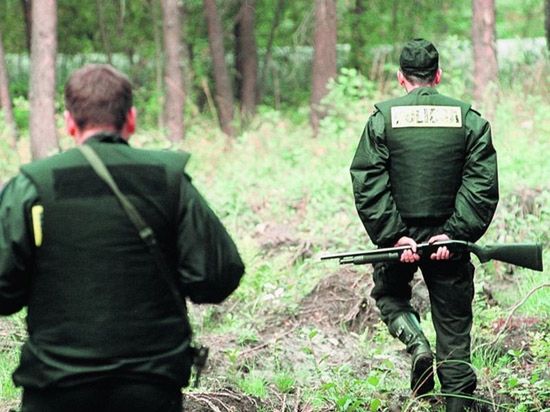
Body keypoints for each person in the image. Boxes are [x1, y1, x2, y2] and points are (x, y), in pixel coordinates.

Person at [0, 64, 245, 412]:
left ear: (69, 122)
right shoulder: (169, 181)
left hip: (56, 387)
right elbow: (217, 277)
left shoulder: (32, 185)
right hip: (151, 388)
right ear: (130, 119)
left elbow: (2, 291)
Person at [350, 39, 499, 411]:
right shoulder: (469, 120)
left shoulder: (382, 120)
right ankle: (458, 404)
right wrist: (455, 232)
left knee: (389, 296)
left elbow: (369, 182)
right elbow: (481, 185)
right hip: (449, 243)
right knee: (453, 326)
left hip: (397, 243)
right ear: (438, 76)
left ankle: (416, 344)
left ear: (401, 78)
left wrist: (394, 236)